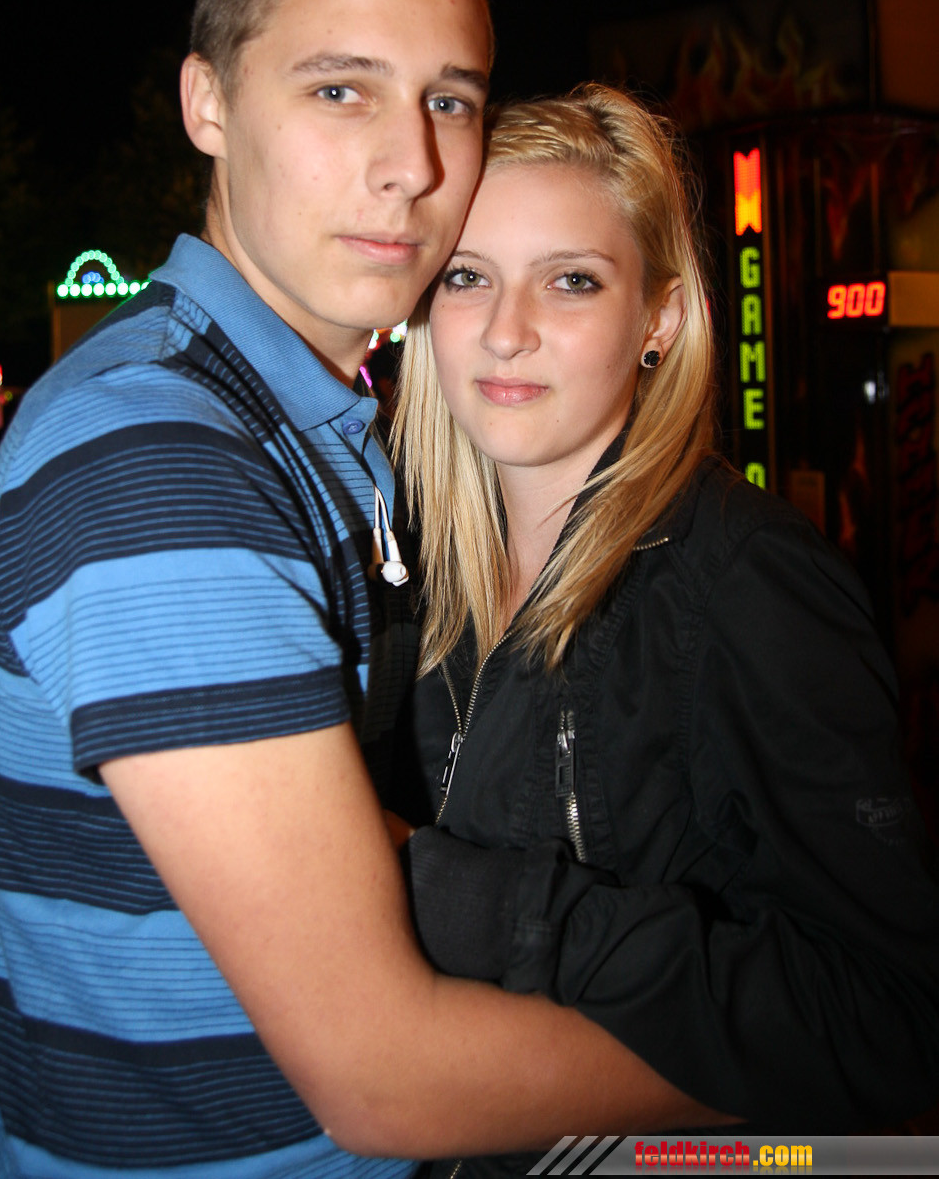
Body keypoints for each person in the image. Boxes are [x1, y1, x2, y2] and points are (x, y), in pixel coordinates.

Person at [0, 0, 726, 1179]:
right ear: (207, 103)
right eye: (339, 89)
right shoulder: (159, 468)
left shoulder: (298, 425)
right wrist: (797, 1068)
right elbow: (384, 1079)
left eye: (449, 101)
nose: (412, 165)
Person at [389, 84, 939, 1168]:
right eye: (466, 276)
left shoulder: (747, 581)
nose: (505, 330)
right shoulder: (409, 579)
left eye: (571, 280)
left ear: (661, 319)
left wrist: (498, 911)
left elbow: (891, 1018)